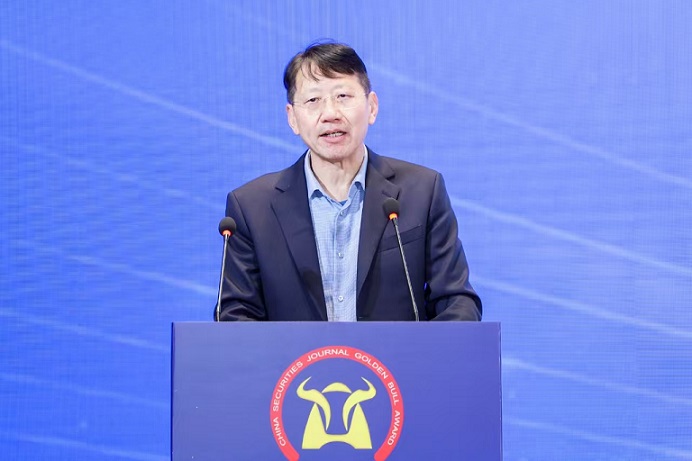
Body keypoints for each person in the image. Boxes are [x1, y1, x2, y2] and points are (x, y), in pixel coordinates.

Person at [218, 41, 481, 321]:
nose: (331, 114)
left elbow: (457, 302)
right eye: (313, 100)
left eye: (343, 96)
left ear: (372, 107)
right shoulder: (252, 208)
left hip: (394, 353)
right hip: (294, 354)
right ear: (292, 118)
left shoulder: (422, 191)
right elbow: (235, 316)